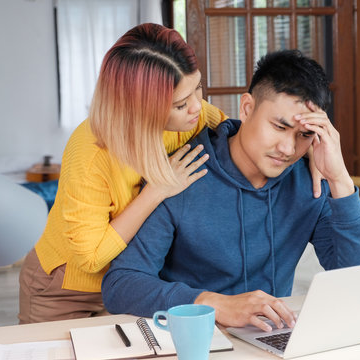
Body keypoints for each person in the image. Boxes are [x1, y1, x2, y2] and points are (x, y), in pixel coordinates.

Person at [17, 22, 324, 324]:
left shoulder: (193, 116)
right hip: (65, 285)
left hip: (130, 281)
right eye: (180, 104)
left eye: (198, 88)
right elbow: (91, 257)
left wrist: (302, 142)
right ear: (140, 107)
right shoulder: (91, 152)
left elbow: (244, 132)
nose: (196, 107)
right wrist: (157, 191)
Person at [101, 49, 360, 332]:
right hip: (195, 341)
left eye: (304, 134)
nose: (288, 148)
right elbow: (121, 284)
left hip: (272, 339)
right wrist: (212, 303)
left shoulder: (310, 183)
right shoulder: (180, 174)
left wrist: (340, 180)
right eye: (279, 126)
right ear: (246, 108)